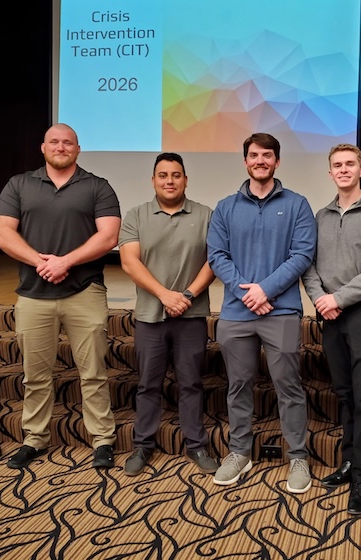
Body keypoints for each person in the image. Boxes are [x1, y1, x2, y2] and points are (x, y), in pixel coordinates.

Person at [0, 123, 120, 470]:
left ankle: (102, 439)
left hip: (85, 292)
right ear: (43, 147)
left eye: (68, 142)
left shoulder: (97, 186)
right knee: (35, 375)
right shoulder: (19, 184)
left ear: (78, 149)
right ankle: (34, 438)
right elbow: (2, 233)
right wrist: (41, 262)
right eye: (54, 142)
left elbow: (109, 236)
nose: (61, 147)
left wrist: (66, 261)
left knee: (93, 373)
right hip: (34, 295)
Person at [207, 132, 317, 493]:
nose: (260, 161)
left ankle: (297, 456)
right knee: (238, 385)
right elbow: (217, 256)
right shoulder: (225, 207)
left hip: (281, 311)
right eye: (254, 155)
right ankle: (239, 452)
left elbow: (302, 254)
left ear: (277, 161)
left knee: (289, 386)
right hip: (236, 313)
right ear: (245, 161)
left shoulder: (297, 205)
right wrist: (248, 293)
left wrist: (265, 290)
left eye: (267, 155)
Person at [302, 144, 361, 515]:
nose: (343, 170)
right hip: (330, 316)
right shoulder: (321, 216)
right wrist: (320, 299)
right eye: (337, 165)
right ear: (330, 173)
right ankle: (348, 461)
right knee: (344, 393)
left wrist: (339, 298)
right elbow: (309, 265)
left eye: (350, 164)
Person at [118, 152, 218, 476]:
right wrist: (165, 295)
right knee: (148, 384)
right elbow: (129, 262)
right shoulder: (136, 215)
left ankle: (196, 445)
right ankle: (142, 445)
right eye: (163, 175)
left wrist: (186, 296)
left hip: (191, 315)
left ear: (186, 180)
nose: (170, 181)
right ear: (153, 181)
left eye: (176, 175)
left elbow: (214, 260)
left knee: (191, 384)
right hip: (150, 317)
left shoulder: (206, 215)